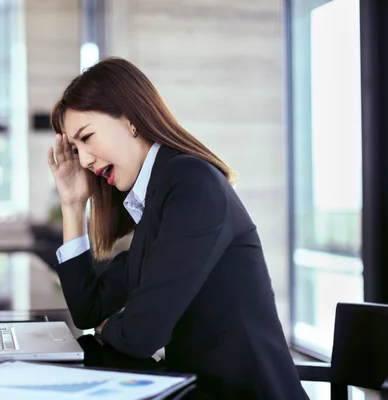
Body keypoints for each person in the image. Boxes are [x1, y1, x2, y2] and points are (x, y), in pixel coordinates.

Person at [46, 57, 308, 399]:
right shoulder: (159, 195)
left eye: (88, 137)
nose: (84, 161)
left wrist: (110, 327)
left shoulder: (190, 183)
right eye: (76, 148)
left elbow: (141, 336)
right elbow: (88, 310)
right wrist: (73, 204)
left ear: (129, 119)